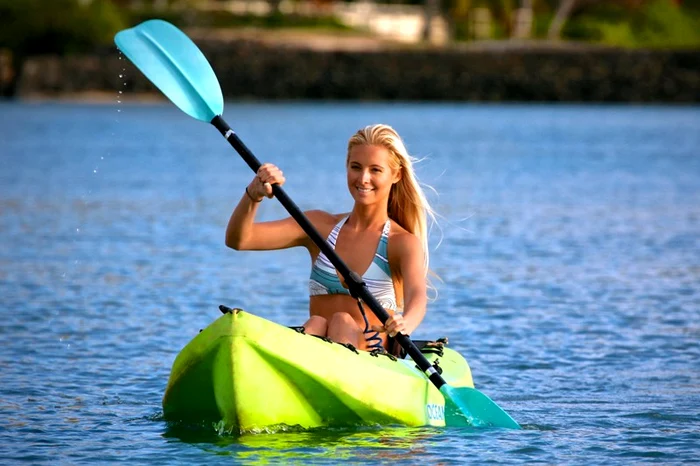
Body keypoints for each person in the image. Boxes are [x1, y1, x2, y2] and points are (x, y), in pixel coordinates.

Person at [225, 124, 436, 353]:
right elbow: (239, 239)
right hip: (318, 344)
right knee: (317, 323)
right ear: (347, 167)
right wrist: (253, 195)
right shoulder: (319, 227)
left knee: (341, 321)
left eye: (375, 170)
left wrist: (407, 323)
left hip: (372, 354)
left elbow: (417, 297)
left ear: (396, 175)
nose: (363, 178)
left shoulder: (401, 242)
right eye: (356, 167)